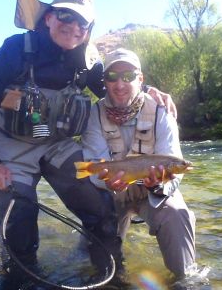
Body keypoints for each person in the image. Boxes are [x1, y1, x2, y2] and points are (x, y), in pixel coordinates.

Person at [0, 0, 177, 286]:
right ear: (48, 17)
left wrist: (151, 91)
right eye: (65, 16)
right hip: (11, 149)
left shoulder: (87, 62)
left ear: (88, 29)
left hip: (57, 145)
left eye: (82, 23)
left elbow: (119, 91)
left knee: (100, 208)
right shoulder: (15, 50)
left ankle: (110, 276)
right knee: (20, 221)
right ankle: (26, 280)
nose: (73, 27)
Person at [81, 48, 196, 282]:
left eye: (128, 76)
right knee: (93, 245)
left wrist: (157, 186)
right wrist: (107, 182)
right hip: (113, 193)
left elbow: (173, 159)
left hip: (151, 192)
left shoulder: (162, 110)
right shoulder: (94, 114)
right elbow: (94, 164)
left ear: (140, 79)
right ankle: (112, 279)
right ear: (105, 82)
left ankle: (185, 279)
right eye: (112, 77)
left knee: (177, 214)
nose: (120, 84)